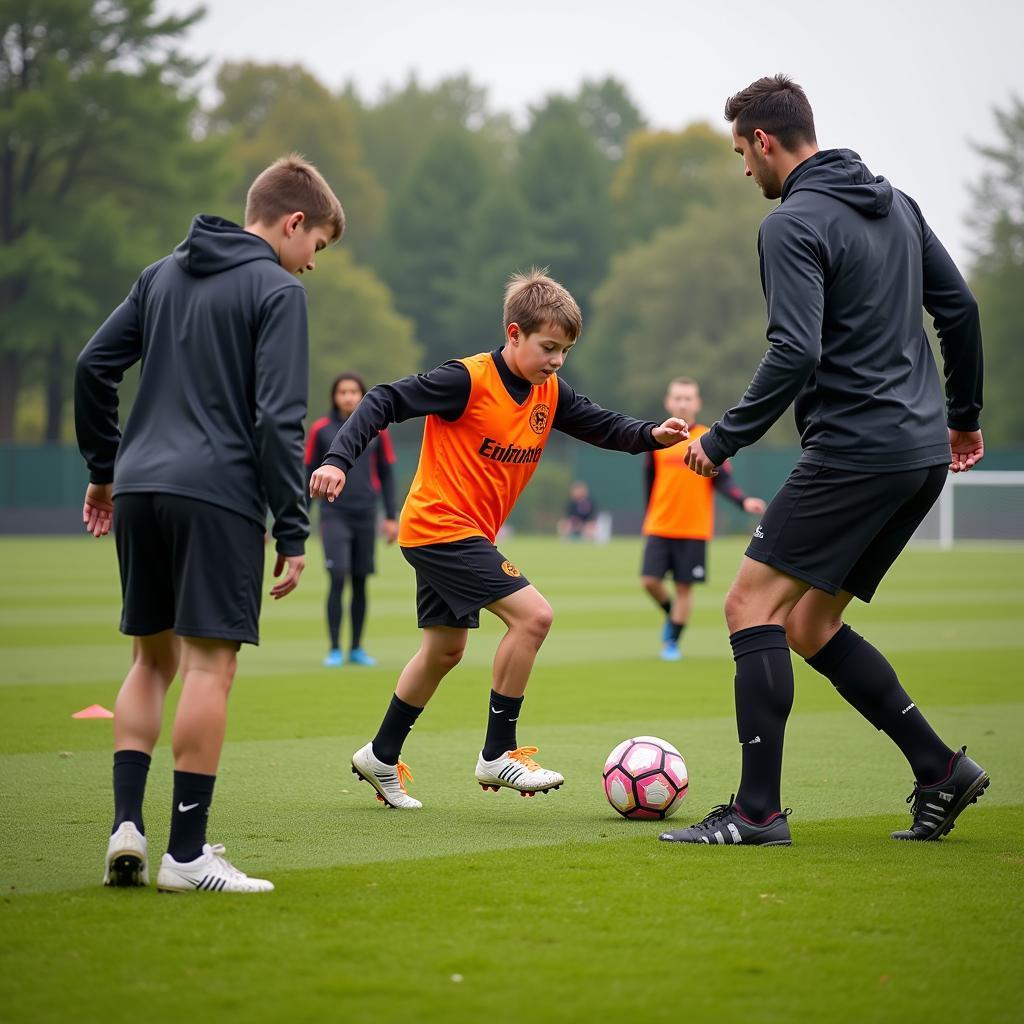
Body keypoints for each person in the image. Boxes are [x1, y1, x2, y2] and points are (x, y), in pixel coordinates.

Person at [660, 75, 988, 848]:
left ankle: (755, 813)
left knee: (749, 607)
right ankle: (940, 769)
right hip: (919, 453)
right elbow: (962, 309)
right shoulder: (898, 204)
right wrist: (964, 419)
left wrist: (721, 438)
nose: (746, 170)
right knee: (808, 623)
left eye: (744, 152)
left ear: (766, 142)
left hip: (856, 450)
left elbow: (795, 349)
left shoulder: (790, 224)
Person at [309, 269, 688, 809]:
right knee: (534, 617)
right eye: (548, 347)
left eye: (565, 351)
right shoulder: (466, 379)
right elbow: (382, 400)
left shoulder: (548, 391)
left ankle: (380, 755)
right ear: (514, 334)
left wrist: (653, 433)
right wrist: (337, 460)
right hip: (440, 526)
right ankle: (498, 752)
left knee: (443, 650)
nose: (557, 360)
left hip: (460, 533)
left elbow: (602, 425)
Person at [75, 155, 345, 891]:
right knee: (207, 668)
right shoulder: (278, 291)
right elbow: (278, 417)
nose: (311, 264)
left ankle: (126, 826)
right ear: (293, 223)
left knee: (148, 661)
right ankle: (186, 856)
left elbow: (92, 367)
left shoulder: (159, 274)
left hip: (136, 489)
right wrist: (292, 529)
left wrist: (104, 469)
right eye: (316, 245)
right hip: (217, 494)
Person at [641, 377, 766, 661]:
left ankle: (671, 641)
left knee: (684, 587)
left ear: (697, 403)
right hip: (659, 525)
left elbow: (724, 481)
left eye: (688, 398)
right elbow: (649, 481)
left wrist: (743, 500)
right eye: (678, 397)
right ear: (668, 402)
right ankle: (674, 617)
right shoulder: (658, 438)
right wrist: (650, 512)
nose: (682, 403)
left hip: (694, 528)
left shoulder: (709, 439)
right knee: (650, 581)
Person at [305, 372, 399, 667]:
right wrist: (299, 520)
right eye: (343, 392)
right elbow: (307, 474)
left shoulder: (377, 429)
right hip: (333, 514)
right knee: (338, 575)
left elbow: (386, 474)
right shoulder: (320, 430)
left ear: (362, 396)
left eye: (354, 392)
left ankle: (356, 648)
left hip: (366, 514)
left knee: (360, 581)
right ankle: (334, 648)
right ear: (335, 396)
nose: (348, 397)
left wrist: (391, 517)